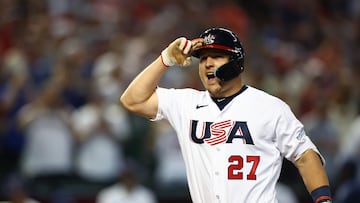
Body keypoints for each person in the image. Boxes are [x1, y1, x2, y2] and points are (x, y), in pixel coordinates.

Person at [120, 27, 332, 203]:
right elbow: (132, 100)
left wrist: (324, 200)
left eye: (217, 56)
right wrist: (165, 58)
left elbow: (305, 155)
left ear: (236, 62)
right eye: (203, 58)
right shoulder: (186, 103)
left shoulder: (270, 107)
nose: (208, 64)